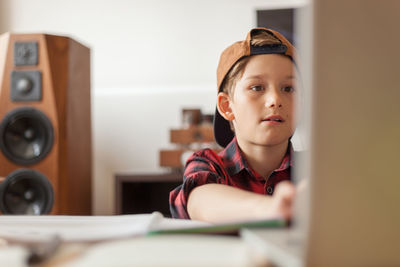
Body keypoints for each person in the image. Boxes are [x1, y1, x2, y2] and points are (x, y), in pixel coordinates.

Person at [169, 27, 300, 223]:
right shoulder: (209, 165)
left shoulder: (317, 169)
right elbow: (199, 201)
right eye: (257, 87)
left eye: (288, 88)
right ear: (226, 106)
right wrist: (273, 208)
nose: (275, 99)